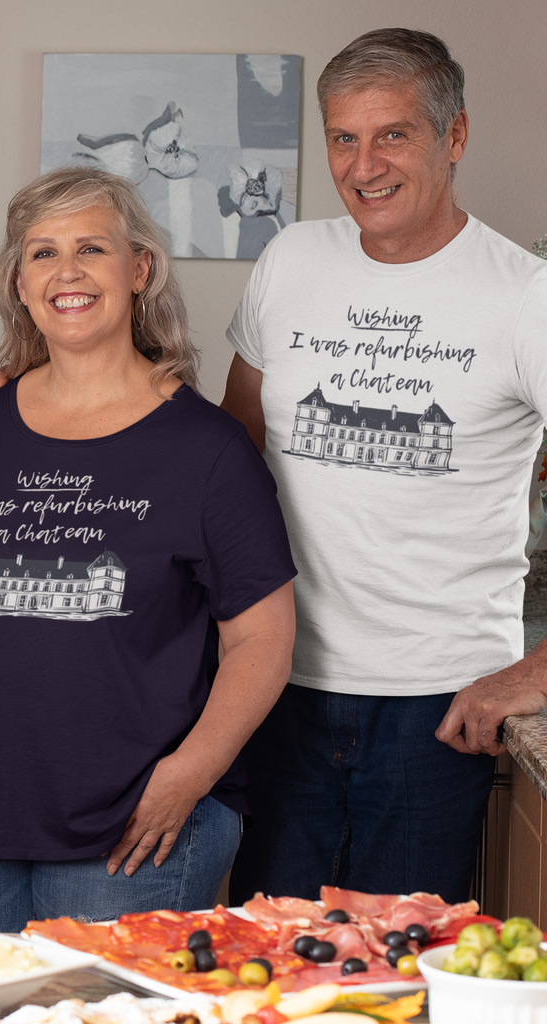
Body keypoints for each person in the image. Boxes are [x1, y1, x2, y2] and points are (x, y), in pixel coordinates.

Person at [0, 166, 296, 932]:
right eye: (43, 252)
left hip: (134, 829)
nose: (66, 271)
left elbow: (263, 639)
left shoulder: (208, 449)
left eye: (92, 248)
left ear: (139, 270)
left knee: (96, 1003)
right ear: (20, 283)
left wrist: (188, 776)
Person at [219, 28, 547, 904]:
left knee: (396, 956)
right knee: (264, 949)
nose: (364, 166)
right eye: (343, 137)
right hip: (275, 678)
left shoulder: (525, 296)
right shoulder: (290, 259)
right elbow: (231, 442)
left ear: (455, 135)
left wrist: (532, 673)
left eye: (392, 134)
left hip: (437, 703)